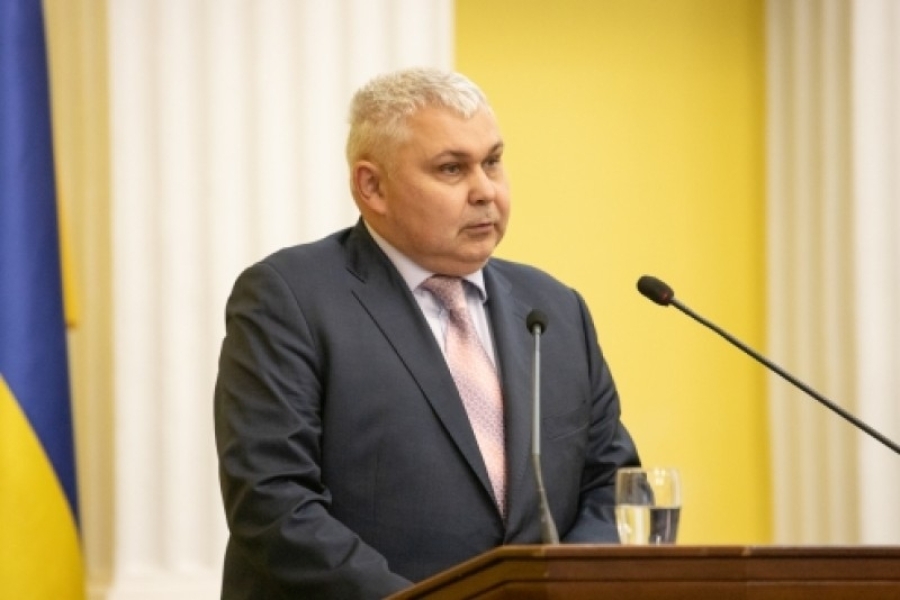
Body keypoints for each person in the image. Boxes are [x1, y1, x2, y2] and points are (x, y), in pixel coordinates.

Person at [214, 67, 640, 600]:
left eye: (492, 161)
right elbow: (274, 503)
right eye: (451, 169)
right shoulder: (289, 298)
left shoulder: (555, 308)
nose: (485, 191)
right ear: (372, 187)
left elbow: (614, 486)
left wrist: (563, 589)